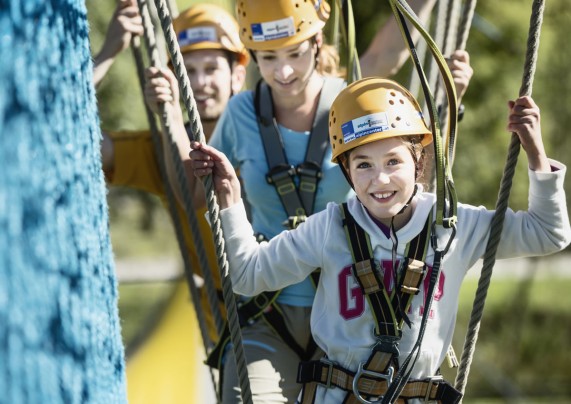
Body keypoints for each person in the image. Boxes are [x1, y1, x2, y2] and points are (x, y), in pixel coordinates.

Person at [144, 1, 475, 402]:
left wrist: (446, 101)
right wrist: (172, 118)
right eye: (268, 58)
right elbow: (194, 193)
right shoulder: (240, 114)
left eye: (295, 54)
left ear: (317, 43)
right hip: (270, 311)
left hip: (353, 314)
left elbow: (389, 57)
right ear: (253, 58)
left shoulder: (350, 104)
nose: (283, 72)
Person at [189, 77, 571, 403]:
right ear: (347, 173)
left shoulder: (453, 225)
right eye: (363, 166)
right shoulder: (330, 227)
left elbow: (548, 233)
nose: (380, 180)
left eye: (393, 162)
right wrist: (230, 200)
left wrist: (535, 153)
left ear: (418, 163)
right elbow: (249, 276)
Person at [96, 2, 249, 344]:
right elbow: (72, 138)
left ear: (237, 75)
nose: (200, 82)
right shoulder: (160, 150)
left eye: (211, 68)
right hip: (228, 331)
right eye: (188, 71)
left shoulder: (266, 137)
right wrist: (108, 52)